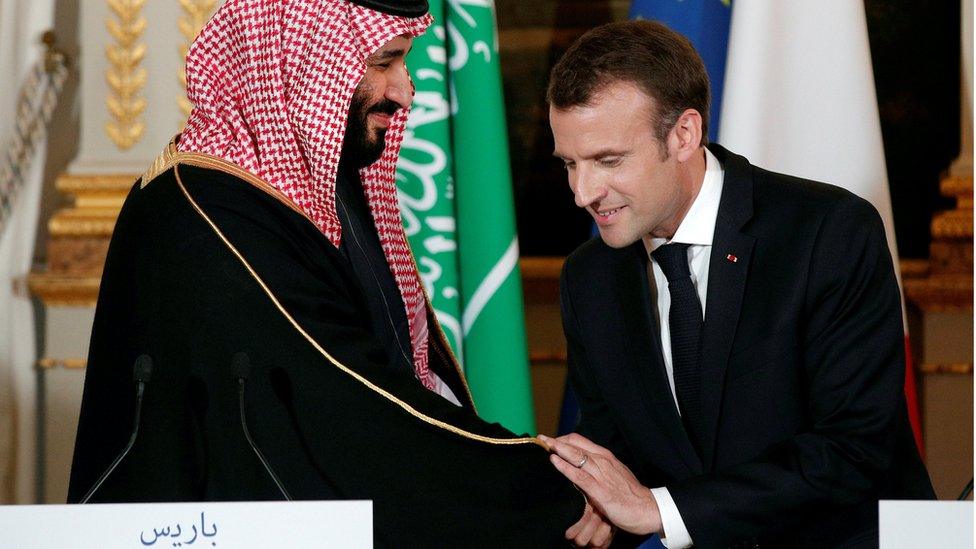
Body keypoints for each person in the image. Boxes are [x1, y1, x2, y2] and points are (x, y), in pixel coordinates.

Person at [67, 1, 592, 546]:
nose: (405, 91)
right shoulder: (204, 212)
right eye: (385, 62)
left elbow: (398, 370)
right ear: (301, 59)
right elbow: (348, 410)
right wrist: (557, 486)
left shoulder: (329, 182)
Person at [540, 20, 935, 548]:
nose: (582, 192)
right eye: (570, 163)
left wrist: (658, 508)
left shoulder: (829, 231)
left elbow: (853, 452)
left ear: (684, 134)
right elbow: (618, 457)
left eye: (608, 161)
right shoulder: (590, 278)